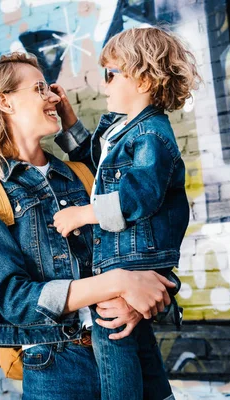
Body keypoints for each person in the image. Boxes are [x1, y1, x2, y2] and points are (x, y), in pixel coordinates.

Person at [0, 52, 175, 400]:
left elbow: (152, 237)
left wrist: (140, 299)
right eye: (40, 88)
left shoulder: (84, 175)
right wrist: (116, 283)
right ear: (4, 102)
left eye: (51, 89)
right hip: (57, 369)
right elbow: (17, 300)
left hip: (131, 352)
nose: (54, 97)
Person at [52, 27, 201, 400]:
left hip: (132, 260)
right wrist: (69, 122)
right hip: (129, 258)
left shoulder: (150, 136)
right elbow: (98, 166)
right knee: (139, 350)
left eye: (111, 74)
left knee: (112, 342)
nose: (104, 85)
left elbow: (137, 198)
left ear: (144, 78)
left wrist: (82, 215)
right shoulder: (125, 132)